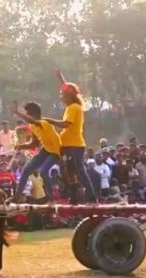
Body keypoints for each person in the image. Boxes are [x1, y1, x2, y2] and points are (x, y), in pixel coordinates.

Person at [43, 67, 97, 202]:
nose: (61, 97)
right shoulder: (70, 106)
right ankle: (73, 197)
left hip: (75, 145)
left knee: (79, 170)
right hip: (66, 145)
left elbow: (65, 124)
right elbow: (68, 88)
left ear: (69, 96)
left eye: (63, 95)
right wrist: (60, 78)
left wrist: (48, 120)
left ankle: (91, 197)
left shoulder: (74, 107)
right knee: (68, 172)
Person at [11, 101, 61, 203]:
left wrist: (18, 112)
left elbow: (34, 121)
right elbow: (35, 144)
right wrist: (21, 146)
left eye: (28, 114)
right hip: (46, 150)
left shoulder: (43, 123)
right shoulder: (32, 126)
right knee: (26, 170)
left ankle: (51, 197)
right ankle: (17, 196)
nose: (27, 117)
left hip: (55, 151)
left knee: (43, 172)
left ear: (34, 114)